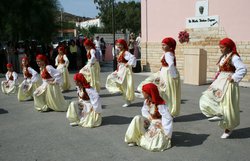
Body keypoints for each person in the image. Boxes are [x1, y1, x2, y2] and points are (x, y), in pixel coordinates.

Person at [199, 38, 247, 139]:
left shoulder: (234, 57)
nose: (220, 49)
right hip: (220, 81)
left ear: (229, 47)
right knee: (206, 97)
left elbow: (242, 68)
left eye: (222, 47)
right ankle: (217, 113)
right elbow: (219, 71)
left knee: (227, 105)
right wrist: (214, 81)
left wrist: (233, 78)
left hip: (229, 83)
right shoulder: (223, 57)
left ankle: (228, 128)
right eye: (220, 47)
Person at [136, 37, 181, 117]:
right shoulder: (167, 53)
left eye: (164, 45)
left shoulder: (168, 54)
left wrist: (173, 76)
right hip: (165, 72)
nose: (162, 47)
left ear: (170, 46)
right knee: (165, 91)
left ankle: (167, 111)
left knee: (167, 92)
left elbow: (171, 65)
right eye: (162, 45)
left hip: (168, 74)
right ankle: (166, 110)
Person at [125, 83, 173, 152]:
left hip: (158, 124)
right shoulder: (147, 101)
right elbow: (144, 111)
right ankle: (133, 139)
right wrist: (150, 118)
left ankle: (143, 138)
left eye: (144, 92)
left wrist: (167, 133)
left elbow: (167, 118)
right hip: (150, 121)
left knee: (153, 144)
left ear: (149, 93)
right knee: (137, 118)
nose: (143, 93)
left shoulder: (160, 104)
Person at [106, 39, 137, 107]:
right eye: (118, 44)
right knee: (111, 77)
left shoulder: (125, 52)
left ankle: (127, 100)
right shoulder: (120, 52)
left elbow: (133, 57)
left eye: (120, 44)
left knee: (125, 85)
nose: (119, 46)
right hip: (120, 69)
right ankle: (118, 90)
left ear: (123, 45)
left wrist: (128, 63)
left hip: (125, 71)